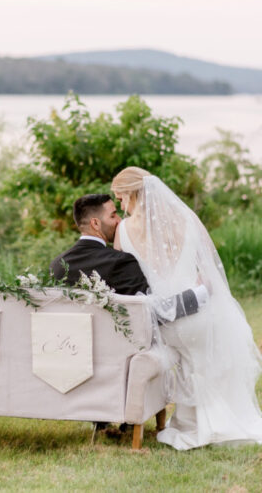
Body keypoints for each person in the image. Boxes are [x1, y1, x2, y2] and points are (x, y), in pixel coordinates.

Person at [112, 166, 262, 449]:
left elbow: (127, 278)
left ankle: (192, 425)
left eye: (121, 198)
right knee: (207, 365)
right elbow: (209, 269)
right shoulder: (186, 218)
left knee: (187, 366)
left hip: (165, 322)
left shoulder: (123, 230)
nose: (121, 205)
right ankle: (218, 422)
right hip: (198, 313)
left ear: (132, 194)